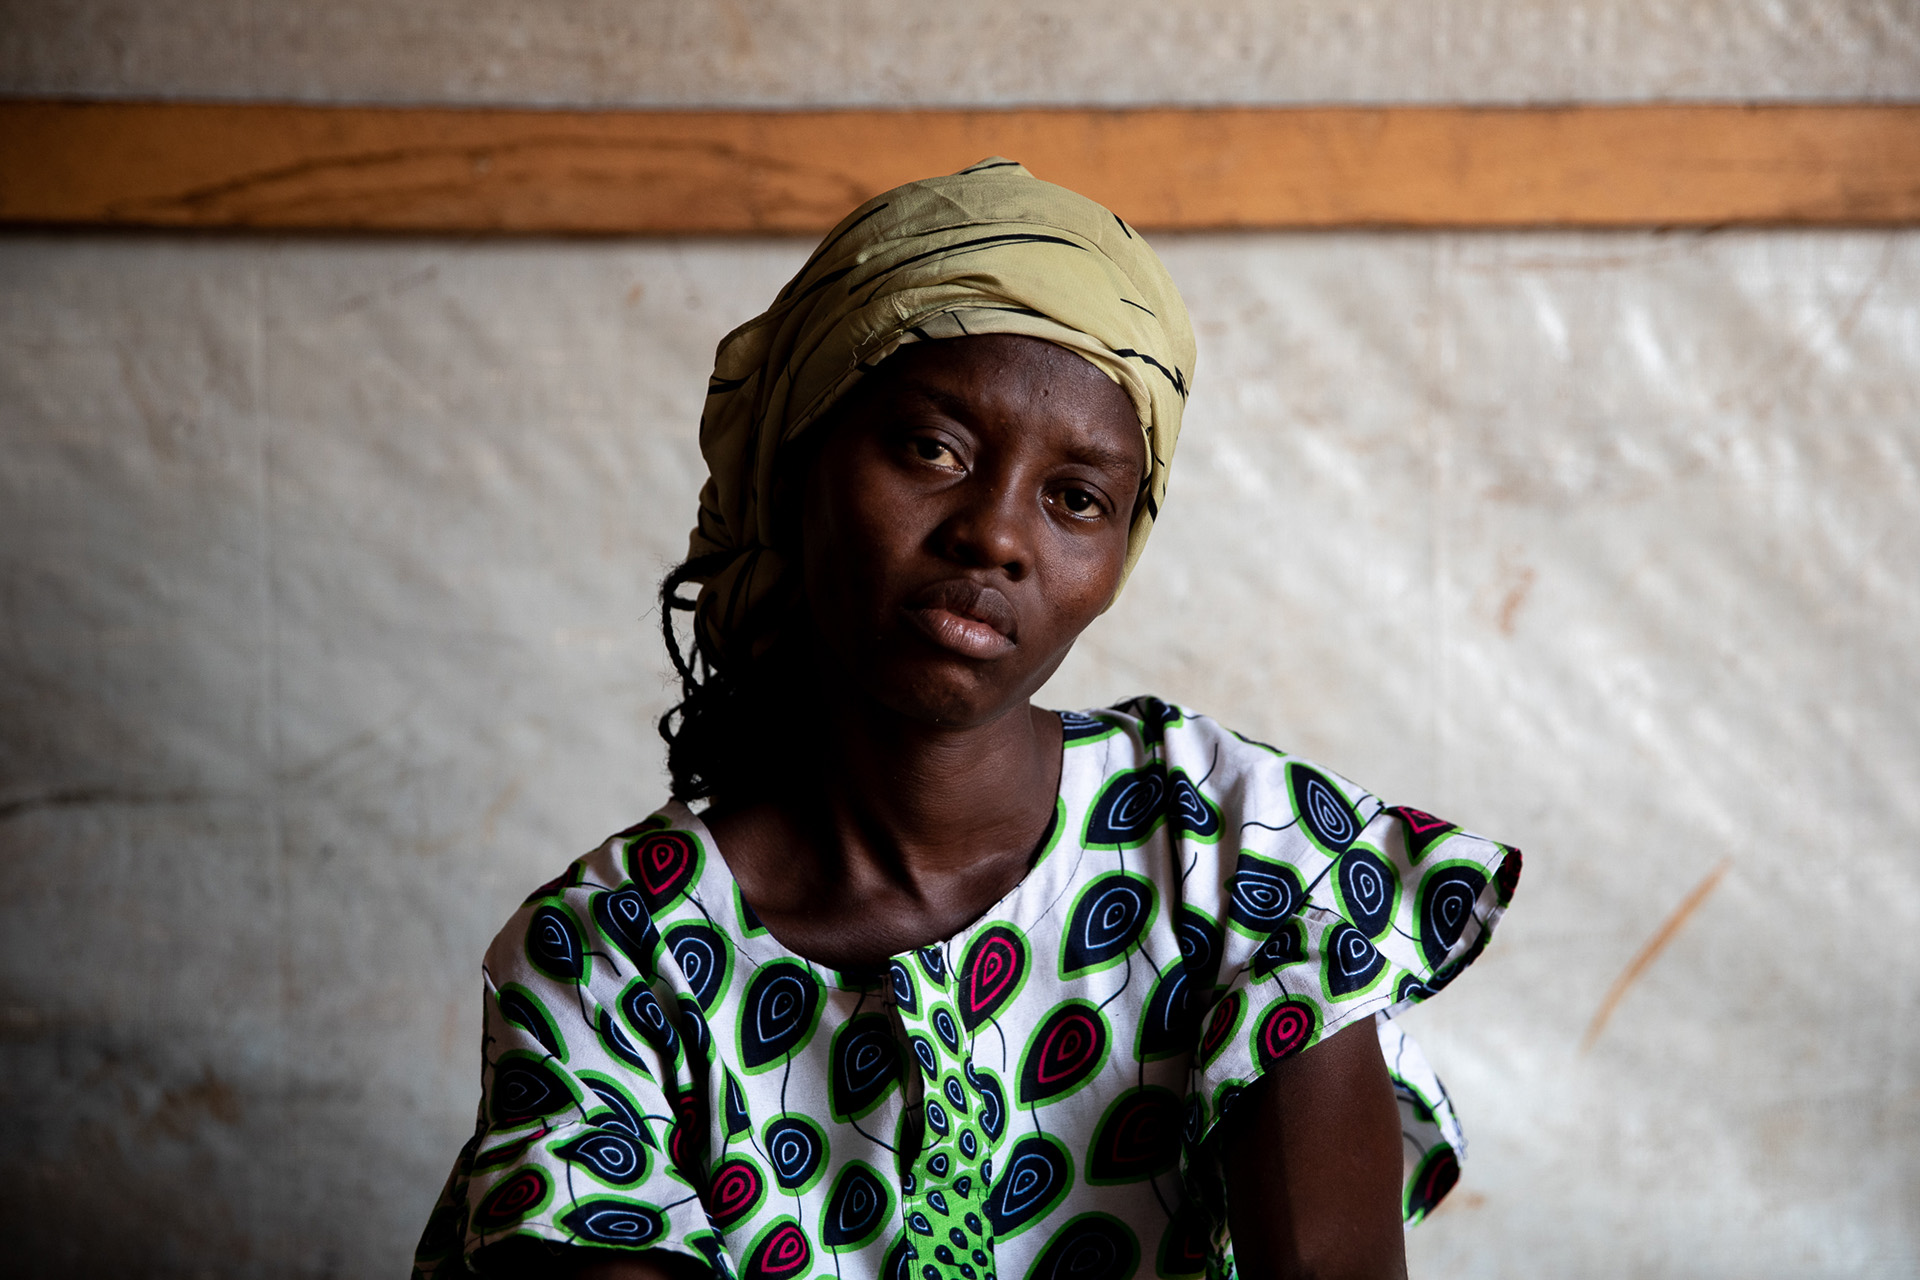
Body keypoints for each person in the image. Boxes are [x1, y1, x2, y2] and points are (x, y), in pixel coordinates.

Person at [414, 159, 1519, 1280]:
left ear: (1116, 558)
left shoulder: (1243, 850)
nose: (995, 533)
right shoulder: (612, 958)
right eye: (932, 448)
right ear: (802, 461)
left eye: (1075, 497)